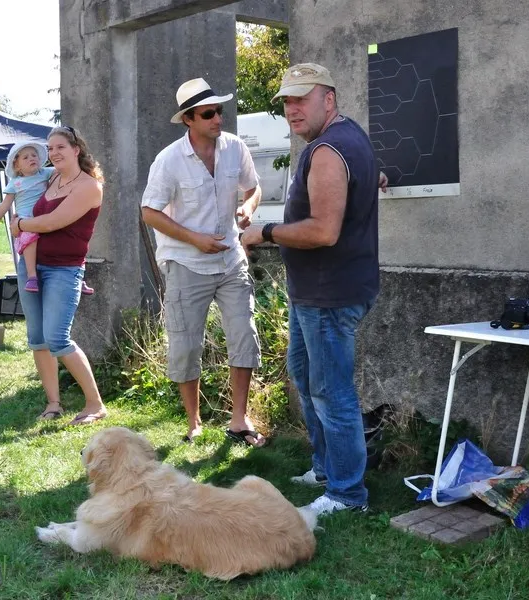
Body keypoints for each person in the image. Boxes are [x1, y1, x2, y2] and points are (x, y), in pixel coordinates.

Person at [241, 63, 381, 516]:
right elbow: (358, 185)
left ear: (329, 99)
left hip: (328, 294)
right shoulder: (349, 138)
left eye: (302, 98)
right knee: (305, 377)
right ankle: (326, 469)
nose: (292, 109)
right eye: (287, 101)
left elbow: (323, 231)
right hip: (319, 291)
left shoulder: (327, 150)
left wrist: (265, 232)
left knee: (330, 391)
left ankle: (346, 494)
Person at [141, 78, 266, 445]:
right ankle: (194, 422)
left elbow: (254, 187)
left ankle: (239, 419)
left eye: (219, 111)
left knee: (244, 335)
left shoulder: (235, 148)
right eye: (208, 113)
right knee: (185, 344)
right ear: (188, 119)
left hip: (230, 260)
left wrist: (248, 207)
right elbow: (149, 212)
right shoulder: (168, 160)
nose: (218, 119)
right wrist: (193, 238)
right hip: (185, 263)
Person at [9, 126, 107, 425]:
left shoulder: (89, 186)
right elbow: (21, 190)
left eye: (60, 147)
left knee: (57, 337)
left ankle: (95, 404)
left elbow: (52, 222)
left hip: (64, 269)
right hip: (31, 267)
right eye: (50, 148)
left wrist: (20, 225)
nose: (53, 153)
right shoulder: (50, 177)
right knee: (38, 338)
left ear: (76, 149)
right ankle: (53, 403)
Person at [0, 142, 95, 296]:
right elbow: (4, 206)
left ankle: (77, 278)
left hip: (45, 216)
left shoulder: (45, 173)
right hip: (26, 220)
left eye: (34, 155)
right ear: (17, 166)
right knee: (30, 240)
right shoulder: (15, 183)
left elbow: (64, 172)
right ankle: (32, 276)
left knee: (65, 239)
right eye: (25, 157)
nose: (32, 158)